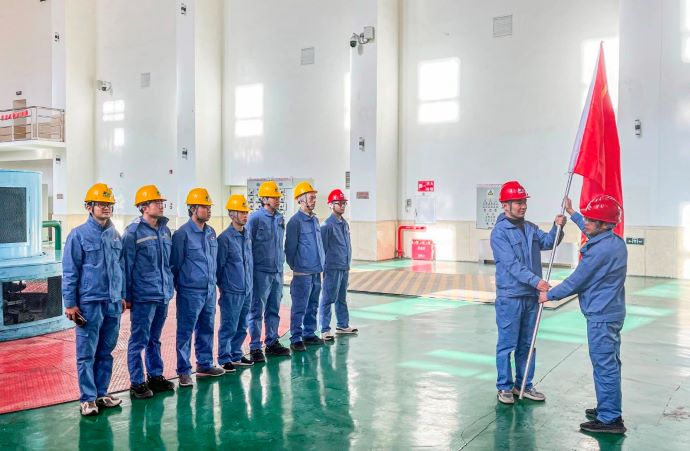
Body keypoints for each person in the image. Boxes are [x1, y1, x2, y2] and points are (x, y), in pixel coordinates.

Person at [540, 195, 627, 434]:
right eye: (586, 218)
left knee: (604, 366)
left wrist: (549, 295)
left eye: (591, 219)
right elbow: (591, 231)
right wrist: (572, 213)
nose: (586, 222)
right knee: (610, 363)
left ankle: (610, 419)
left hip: (601, 316)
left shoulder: (600, 251)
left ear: (604, 224)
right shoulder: (613, 241)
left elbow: (577, 280)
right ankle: (608, 407)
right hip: (611, 312)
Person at [490, 180, 566, 405]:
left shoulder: (531, 228)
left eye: (524, 201)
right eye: (518, 202)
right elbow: (511, 265)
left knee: (528, 343)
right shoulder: (499, 233)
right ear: (505, 205)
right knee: (507, 344)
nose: (523, 206)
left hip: (530, 297)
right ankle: (504, 387)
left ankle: (523, 384)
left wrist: (557, 227)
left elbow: (548, 242)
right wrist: (536, 281)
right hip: (510, 296)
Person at [62, 183, 125, 416]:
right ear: (89, 207)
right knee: (86, 353)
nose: (106, 207)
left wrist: (121, 295)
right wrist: (70, 303)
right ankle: (87, 398)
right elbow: (70, 271)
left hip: (112, 303)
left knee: (106, 351)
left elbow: (121, 268)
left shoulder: (115, 235)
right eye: (101, 204)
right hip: (90, 303)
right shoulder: (78, 235)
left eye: (109, 204)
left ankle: (101, 393)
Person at [123, 184, 176, 398]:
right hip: (143, 296)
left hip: (162, 294)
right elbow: (126, 267)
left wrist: (169, 287)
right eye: (157, 202)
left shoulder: (165, 230)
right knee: (139, 339)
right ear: (144, 206)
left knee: (155, 338)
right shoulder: (132, 233)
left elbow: (169, 264)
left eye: (162, 202)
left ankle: (155, 375)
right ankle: (137, 382)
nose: (161, 205)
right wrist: (127, 296)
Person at [170, 188, 225, 387]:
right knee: (185, 331)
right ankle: (184, 370)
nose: (209, 210)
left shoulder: (211, 233)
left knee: (206, 328)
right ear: (193, 209)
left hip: (209, 290)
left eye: (209, 207)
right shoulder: (182, 234)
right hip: (190, 291)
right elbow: (175, 264)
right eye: (204, 207)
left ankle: (204, 364)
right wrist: (183, 286)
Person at [246, 181, 291, 362]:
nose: (277, 199)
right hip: (260, 272)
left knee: (274, 308)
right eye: (274, 197)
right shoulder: (255, 219)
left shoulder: (280, 218)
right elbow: (247, 246)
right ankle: (255, 346)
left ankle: (272, 342)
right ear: (264, 199)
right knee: (256, 310)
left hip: (277, 271)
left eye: (278, 197)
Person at [285, 181, 326, 352]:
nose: (314, 200)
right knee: (299, 306)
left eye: (315, 197)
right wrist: (298, 266)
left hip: (316, 270)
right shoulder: (295, 222)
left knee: (313, 304)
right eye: (311, 198)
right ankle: (295, 337)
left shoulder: (314, 220)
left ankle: (309, 333)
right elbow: (289, 249)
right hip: (302, 272)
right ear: (301, 200)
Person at [217, 194, 255, 371]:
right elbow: (219, 267)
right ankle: (224, 357)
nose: (245, 215)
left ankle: (236, 354)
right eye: (242, 212)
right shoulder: (224, 238)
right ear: (232, 214)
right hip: (231, 291)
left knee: (242, 325)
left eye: (246, 212)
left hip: (247, 289)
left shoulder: (247, 235)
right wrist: (225, 287)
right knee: (229, 325)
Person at [318, 189, 357, 340]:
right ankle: (324, 329)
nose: (342, 206)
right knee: (328, 298)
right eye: (338, 203)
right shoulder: (326, 225)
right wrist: (323, 268)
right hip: (332, 267)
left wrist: (347, 263)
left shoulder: (344, 223)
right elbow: (322, 249)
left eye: (343, 203)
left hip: (344, 266)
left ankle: (342, 325)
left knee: (342, 298)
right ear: (330, 205)